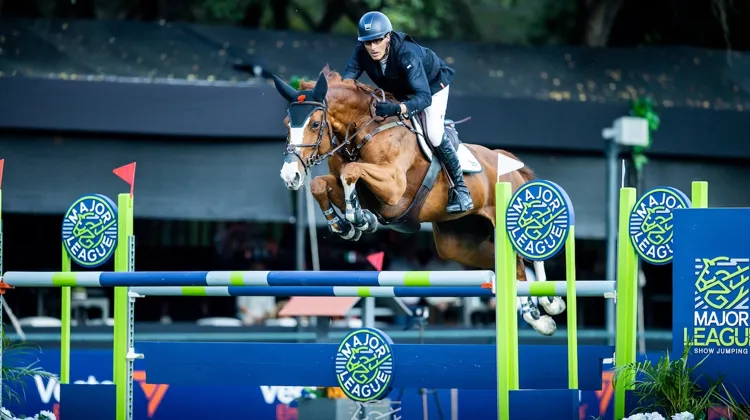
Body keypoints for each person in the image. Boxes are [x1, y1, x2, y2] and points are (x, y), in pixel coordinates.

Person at [341, 11, 473, 213]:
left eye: (377, 41)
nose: (373, 47)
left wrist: (398, 108)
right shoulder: (361, 52)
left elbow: (424, 97)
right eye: (368, 43)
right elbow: (345, 85)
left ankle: (462, 191)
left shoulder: (407, 53)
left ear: (387, 37)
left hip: (432, 87)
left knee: (434, 133)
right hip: (400, 90)